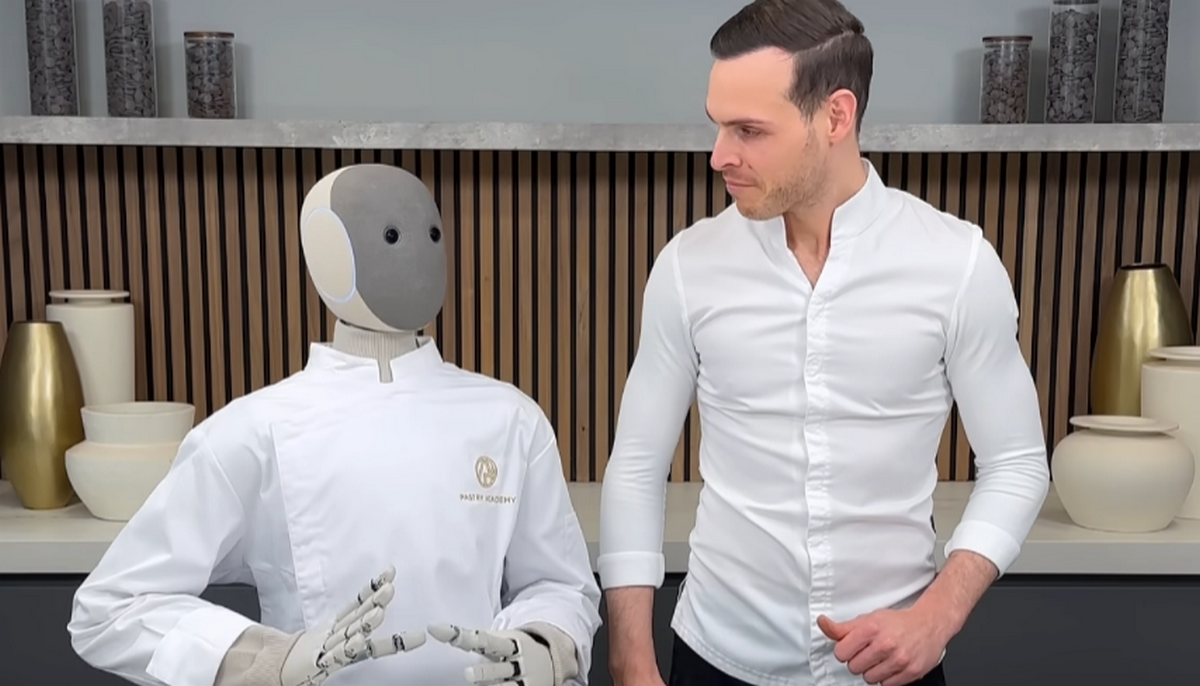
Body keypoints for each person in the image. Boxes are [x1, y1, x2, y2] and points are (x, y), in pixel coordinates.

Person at [596, 2, 1050, 686]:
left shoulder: (956, 264)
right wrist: (631, 659)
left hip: (891, 666)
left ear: (836, 117)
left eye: (750, 130)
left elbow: (1017, 463)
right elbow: (636, 466)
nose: (719, 155)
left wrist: (936, 617)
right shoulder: (688, 266)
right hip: (716, 656)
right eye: (718, 124)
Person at [68, 164, 602, 686]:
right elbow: (109, 607)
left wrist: (545, 644)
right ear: (324, 253)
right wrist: (263, 660)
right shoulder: (255, 431)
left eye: (430, 230)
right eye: (390, 232)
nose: (419, 245)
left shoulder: (511, 420)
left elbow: (560, 584)